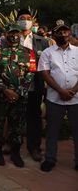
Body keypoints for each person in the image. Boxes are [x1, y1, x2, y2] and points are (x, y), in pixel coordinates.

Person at [0, 24, 36, 167]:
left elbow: (31, 73)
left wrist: (19, 92)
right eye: (11, 33)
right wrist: (5, 90)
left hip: (20, 97)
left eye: (16, 33)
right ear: (5, 34)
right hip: (1, 95)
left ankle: (16, 153)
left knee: (17, 126)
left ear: (20, 34)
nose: (14, 35)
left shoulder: (29, 53)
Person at [39, 20, 78, 172]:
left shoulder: (77, 51)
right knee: (52, 130)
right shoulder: (48, 52)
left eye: (65, 31)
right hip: (55, 98)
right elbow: (45, 74)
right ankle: (50, 159)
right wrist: (61, 91)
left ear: (70, 33)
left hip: (76, 98)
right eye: (60, 32)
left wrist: (73, 91)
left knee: (77, 130)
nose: (63, 34)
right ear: (54, 35)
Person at [16, 8, 52, 161]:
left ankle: (34, 147)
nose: (25, 20)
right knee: (14, 116)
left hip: (34, 85)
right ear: (17, 21)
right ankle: (13, 144)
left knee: (34, 117)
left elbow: (47, 64)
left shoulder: (42, 41)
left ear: (32, 21)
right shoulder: (9, 38)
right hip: (15, 85)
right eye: (22, 18)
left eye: (28, 18)